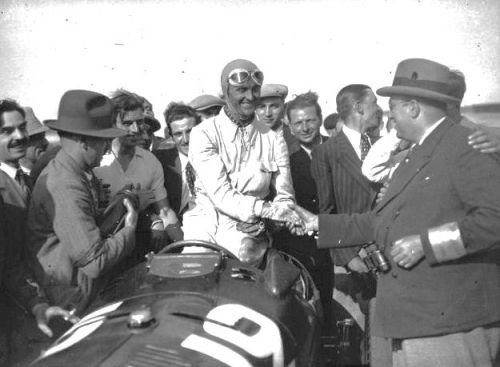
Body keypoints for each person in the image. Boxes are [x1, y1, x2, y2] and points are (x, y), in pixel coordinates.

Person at [292, 58, 500, 367]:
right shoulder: (414, 153)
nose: (389, 116)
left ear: (414, 108)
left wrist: (425, 244)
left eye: (394, 108)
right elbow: (383, 220)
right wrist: (318, 224)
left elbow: (494, 220)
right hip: (417, 321)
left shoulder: (466, 146)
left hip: (449, 326)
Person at [27, 90, 138, 314]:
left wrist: (117, 206)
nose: (108, 149)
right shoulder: (65, 183)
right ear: (82, 141)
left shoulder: (73, 171)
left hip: (81, 292)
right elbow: (94, 263)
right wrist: (130, 229)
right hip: (74, 304)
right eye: (104, 141)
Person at [183, 58, 297, 265]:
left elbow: (285, 195)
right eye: (242, 90)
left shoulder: (272, 137)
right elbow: (221, 195)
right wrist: (263, 211)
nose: (250, 97)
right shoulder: (203, 133)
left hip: (251, 236)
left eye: (255, 89)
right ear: (226, 91)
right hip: (203, 228)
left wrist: (268, 224)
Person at [0, 99, 74, 365]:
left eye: (22, 129)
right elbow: (8, 264)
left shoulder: (24, 179)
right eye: (6, 131)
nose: (19, 137)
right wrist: (36, 303)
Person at [362, 69, 500, 184]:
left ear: (449, 103)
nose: (415, 108)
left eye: (425, 99)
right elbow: (373, 170)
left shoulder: (482, 141)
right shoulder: (424, 141)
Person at [273, 91, 334, 335]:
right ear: (289, 125)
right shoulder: (288, 161)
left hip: (341, 239)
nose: (305, 127)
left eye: (310, 120)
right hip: (305, 246)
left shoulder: (337, 150)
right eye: (298, 123)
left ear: (320, 119)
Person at [94, 91, 182, 254]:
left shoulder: (150, 162)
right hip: (102, 246)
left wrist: (182, 245)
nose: (136, 129)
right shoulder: (96, 161)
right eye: (127, 123)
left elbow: (165, 211)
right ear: (112, 124)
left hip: (138, 245)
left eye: (140, 122)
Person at [153, 102, 201, 221]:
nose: (185, 140)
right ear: (171, 136)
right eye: (178, 134)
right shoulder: (160, 161)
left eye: (190, 131)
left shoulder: (215, 157)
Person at [255, 83, 299, 153]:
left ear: (284, 107)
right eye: (262, 107)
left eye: (274, 106)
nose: (267, 113)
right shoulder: (248, 138)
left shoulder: (296, 138)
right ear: (255, 109)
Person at [19, 107, 49, 186]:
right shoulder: (8, 181)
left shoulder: (51, 173)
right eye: (38, 138)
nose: (46, 142)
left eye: (43, 136)